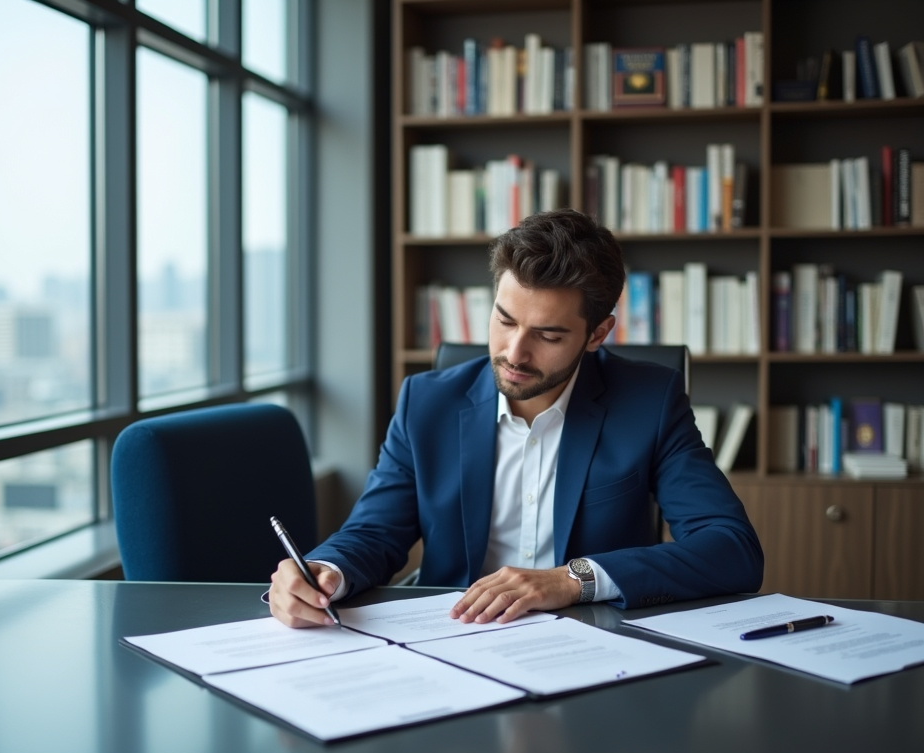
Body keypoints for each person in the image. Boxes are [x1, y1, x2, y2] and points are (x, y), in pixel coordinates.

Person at [269, 208, 763, 628]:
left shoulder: (648, 402)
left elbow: (731, 548)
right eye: (505, 320)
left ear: (597, 334)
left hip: (596, 647)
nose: (514, 353)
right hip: (456, 641)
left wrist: (572, 579)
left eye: (547, 336)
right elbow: (375, 532)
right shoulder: (427, 402)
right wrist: (323, 569)